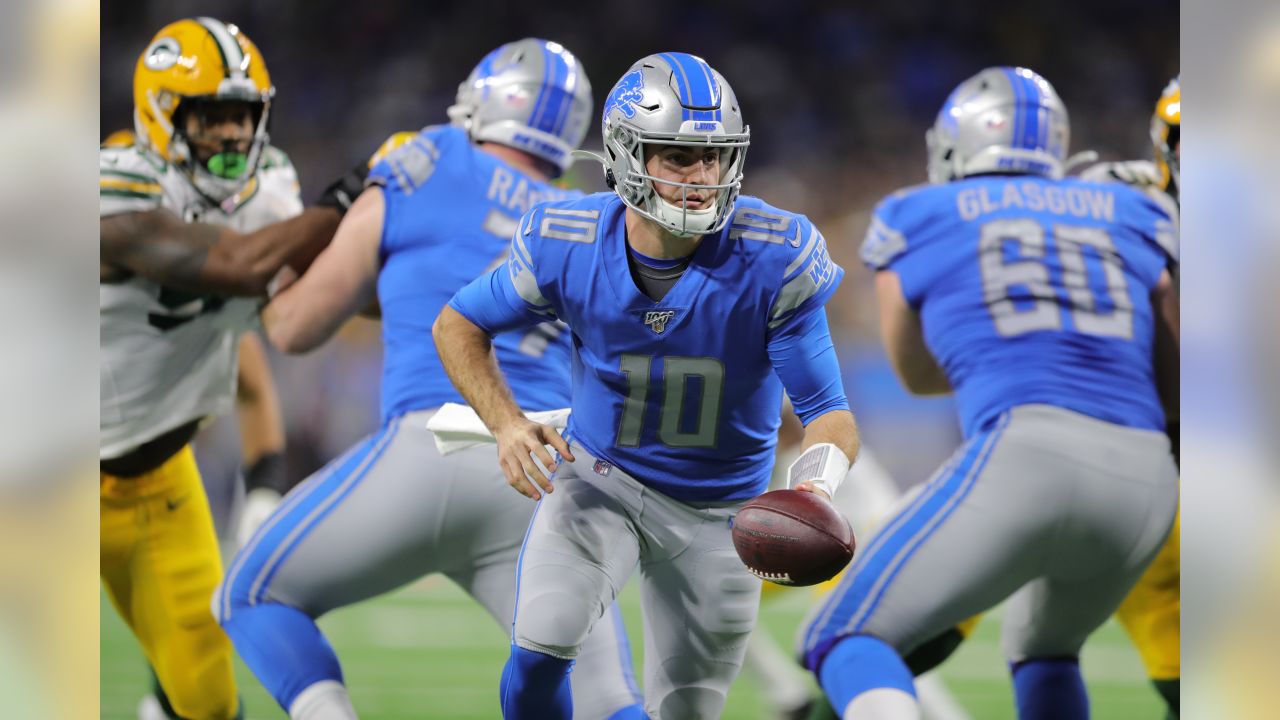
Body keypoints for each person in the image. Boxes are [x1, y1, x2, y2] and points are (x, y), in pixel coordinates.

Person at [214, 39, 645, 720]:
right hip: (544, 474)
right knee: (608, 701)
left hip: (427, 447)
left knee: (248, 596)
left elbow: (294, 328)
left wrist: (269, 252)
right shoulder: (586, 219)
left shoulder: (430, 155)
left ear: (488, 98)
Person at [434, 52, 861, 719]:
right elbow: (458, 323)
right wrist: (507, 424)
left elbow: (827, 411)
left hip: (723, 514)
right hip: (602, 480)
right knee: (541, 648)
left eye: (712, 158)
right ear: (626, 154)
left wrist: (814, 487)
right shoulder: (566, 240)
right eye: (676, 156)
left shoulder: (775, 256)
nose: (699, 177)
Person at [799, 67, 1179, 719]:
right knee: (1045, 645)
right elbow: (1172, 378)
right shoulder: (1137, 211)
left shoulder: (915, 212)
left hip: (1027, 451)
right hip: (1150, 478)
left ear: (953, 146)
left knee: (839, 636)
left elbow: (917, 377)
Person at [100, 17, 359, 720]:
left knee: (208, 703)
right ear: (161, 114)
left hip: (154, 486)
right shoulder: (110, 191)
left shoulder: (261, 199)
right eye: (213, 118)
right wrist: (349, 198)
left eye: (243, 118)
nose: (233, 138)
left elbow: (255, 356)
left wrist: (262, 490)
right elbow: (240, 267)